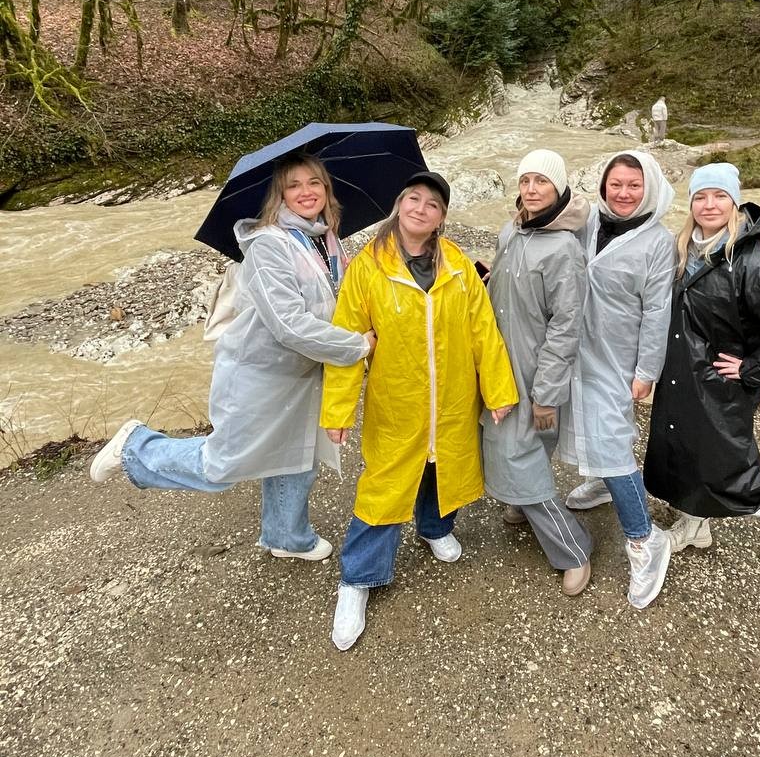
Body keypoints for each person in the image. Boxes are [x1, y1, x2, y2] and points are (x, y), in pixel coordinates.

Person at [89, 154, 375, 559]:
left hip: (304, 373)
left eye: (315, 183)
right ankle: (137, 446)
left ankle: (286, 538)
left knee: (298, 456)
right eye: (294, 185)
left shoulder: (325, 239)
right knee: (223, 464)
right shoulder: (269, 246)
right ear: (279, 195)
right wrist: (357, 347)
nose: (306, 192)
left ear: (327, 190)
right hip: (261, 375)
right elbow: (288, 324)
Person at [321, 171, 518, 651]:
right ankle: (357, 580)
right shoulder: (367, 266)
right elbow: (348, 341)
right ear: (398, 204)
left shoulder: (457, 266)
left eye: (433, 204)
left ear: (442, 218)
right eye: (413, 198)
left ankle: (435, 528)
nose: (421, 208)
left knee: (441, 467)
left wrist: (497, 390)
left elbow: (483, 332)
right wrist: (339, 409)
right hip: (398, 401)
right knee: (385, 486)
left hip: (451, 398)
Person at [643, 163, 760, 556]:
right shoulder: (683, 249)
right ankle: (694, 526)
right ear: (691, 203)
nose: (709, 205)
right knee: (685, 458)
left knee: (727, 473)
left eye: (719, 196)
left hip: (720, 386)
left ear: (734, 202)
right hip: (680, 377)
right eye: (700, 196)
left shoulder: (751, 261)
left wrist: (751, 369)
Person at [560, 152, 677, 609]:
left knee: (610, 439)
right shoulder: (590, 223)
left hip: (617, 357)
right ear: (604, 185)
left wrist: (647, 370)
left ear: (648, 187)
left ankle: (645, 539)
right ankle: (600, 481)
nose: (623, 193)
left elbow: (657, 311)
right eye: (616, 184)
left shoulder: (658, 241)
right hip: (576, 346)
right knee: (582, 423)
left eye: (633, 185)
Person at [481, 149, 594, 596]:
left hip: (534, 375)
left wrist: (546, 393)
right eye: (525, 180)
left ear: (559, 188)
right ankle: (517, 504)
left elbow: (567, 327)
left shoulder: (565, 247)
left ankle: (574, 549)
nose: (531, 189)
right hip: (499, 364)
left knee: (517, 453)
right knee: (512, 446)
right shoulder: (512, 230)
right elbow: (509, 291)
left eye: (541, 182)